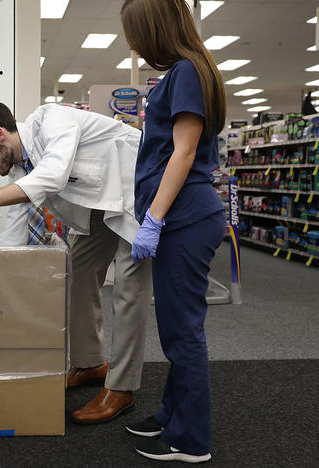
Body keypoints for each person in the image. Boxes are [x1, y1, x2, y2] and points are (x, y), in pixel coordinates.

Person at [0, 98, 153, 424]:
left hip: (136, 191)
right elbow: (13, 236)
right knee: (78, 272)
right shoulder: (18, 168)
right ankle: (91, 363)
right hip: (97, 205)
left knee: (129, 289)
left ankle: (121, 388)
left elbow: (52, 177)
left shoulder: (54, 121)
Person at [120, 0, 227, 463]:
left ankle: (191, 440)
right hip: (182, 216)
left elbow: (182, 154)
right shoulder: (187, 71)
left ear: (155, 28)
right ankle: (172, 413)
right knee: (176, 325)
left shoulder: (186, 71)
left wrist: (154, 219)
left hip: (183, 218)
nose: (134, 44)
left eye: (136, 33)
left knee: (183, 332)